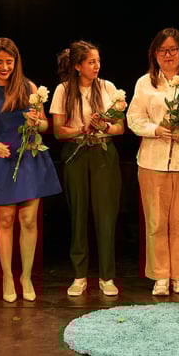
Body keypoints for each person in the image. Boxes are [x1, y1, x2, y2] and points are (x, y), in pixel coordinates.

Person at [0, 37, 62, 303]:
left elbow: (46, 126)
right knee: (5, 220)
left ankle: (26, 276)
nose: (4, 67)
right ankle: (7, 277)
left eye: (9, 62)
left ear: (16, 62)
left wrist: (37, 122)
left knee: (29, 220)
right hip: (2, 158)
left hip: (29, 157)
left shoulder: (29, 87)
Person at [127, 27, 179, 296]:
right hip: (152, 161)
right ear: (155, 54)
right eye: (163, 50)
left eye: (173, 50)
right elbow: (134, 119)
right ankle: (160, 276)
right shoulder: (144, 83)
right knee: (156, 222)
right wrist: (154, 130)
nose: (168, 55)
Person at [49, 41, 124, 297]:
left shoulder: (108, 88)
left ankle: (107, 276)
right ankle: (80, 275)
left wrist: (103, 127)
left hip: (103, 152)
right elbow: (58, 131)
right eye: (91, 62)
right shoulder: (63, 90)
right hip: (77, 153)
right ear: (78, 66)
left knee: (105, 215)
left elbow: (120, 128)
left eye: (98, 61)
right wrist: (83, 128)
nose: (96, 66)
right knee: (78, 214)